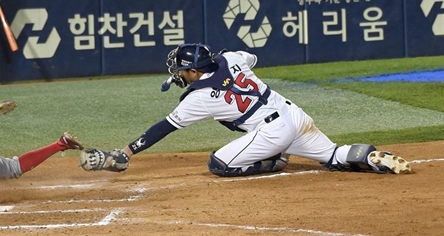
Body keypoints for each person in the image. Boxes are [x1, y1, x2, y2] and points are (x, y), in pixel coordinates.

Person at [80, 43, 413, 177]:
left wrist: (125, 152)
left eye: (182, 71)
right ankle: (369, 157)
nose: (179, 75)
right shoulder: (231, 58)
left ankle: (273, 161)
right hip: (295, 115)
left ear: (194, 72)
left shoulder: (199, 97)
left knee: (219, 164)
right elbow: (250, 59)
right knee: (333, 156)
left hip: (272, 132)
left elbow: (164, 127)